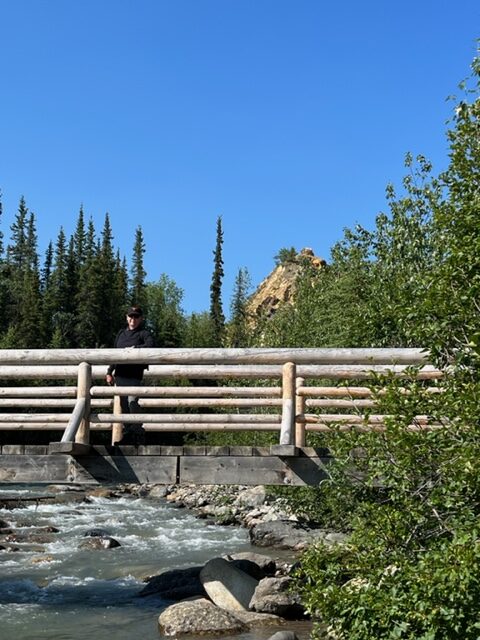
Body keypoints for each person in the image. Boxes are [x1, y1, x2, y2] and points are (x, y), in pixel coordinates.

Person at [105, 305, 155, 445]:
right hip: (120, 374)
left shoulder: (144, 334)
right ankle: (128, 433)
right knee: (123, 405)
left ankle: (138, 432)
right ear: (127, 318)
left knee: (132, 402)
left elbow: (151, 345)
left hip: (134, 375)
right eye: (131, 316)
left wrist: (135, 349)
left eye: (136, 316)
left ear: (141, 319)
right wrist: (109, 371)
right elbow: (115, 354)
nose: (133, 319)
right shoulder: (121, 334)